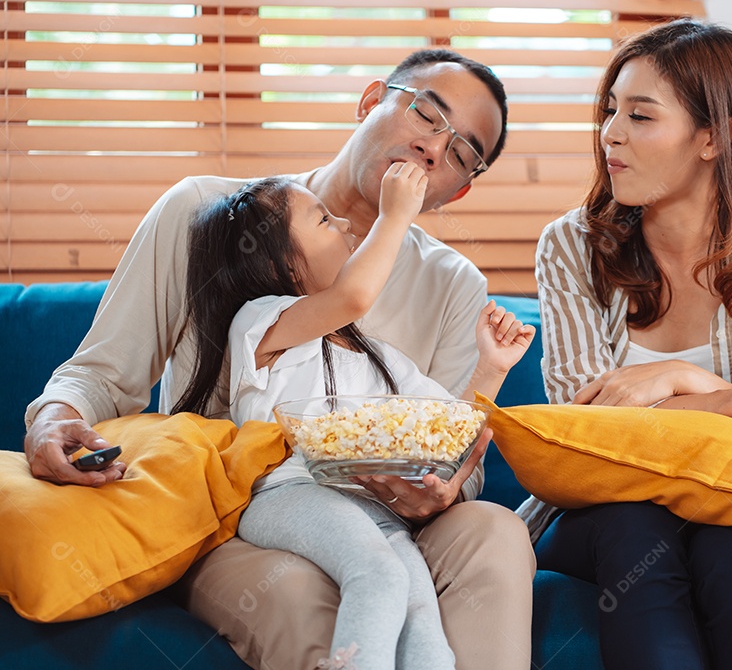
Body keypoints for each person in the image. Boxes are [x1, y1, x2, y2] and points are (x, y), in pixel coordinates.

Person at [24, 49, 536, 670]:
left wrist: (442, 489)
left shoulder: (453, 283)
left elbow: (453, 441)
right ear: (373, 100)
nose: (435, 148)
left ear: (461, 187)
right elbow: (101, 373)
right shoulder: (207, 216)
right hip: (248, 511)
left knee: (495, 531)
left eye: (462, 152)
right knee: (300, 590)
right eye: (428, 115)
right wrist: (54, 419)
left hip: (388, 517)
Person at [523, 19, 732, 670]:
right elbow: (585, 432)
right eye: (610, 111)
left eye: (640, 116)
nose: (610, 133)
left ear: (714, 136)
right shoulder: (570, 248)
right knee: (634, 529)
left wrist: (681, 385)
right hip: (608, 508)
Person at [175, 168, 534, 670]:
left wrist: (490, 367)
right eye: (323, 219)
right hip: (291, 495)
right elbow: (353, 295)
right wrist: (395, 215)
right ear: (279, 260)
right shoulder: (261, 323)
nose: (343, 222)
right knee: (382, 578)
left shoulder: (377, 356)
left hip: (378, 512)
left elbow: (446, 430)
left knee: (419, 610)